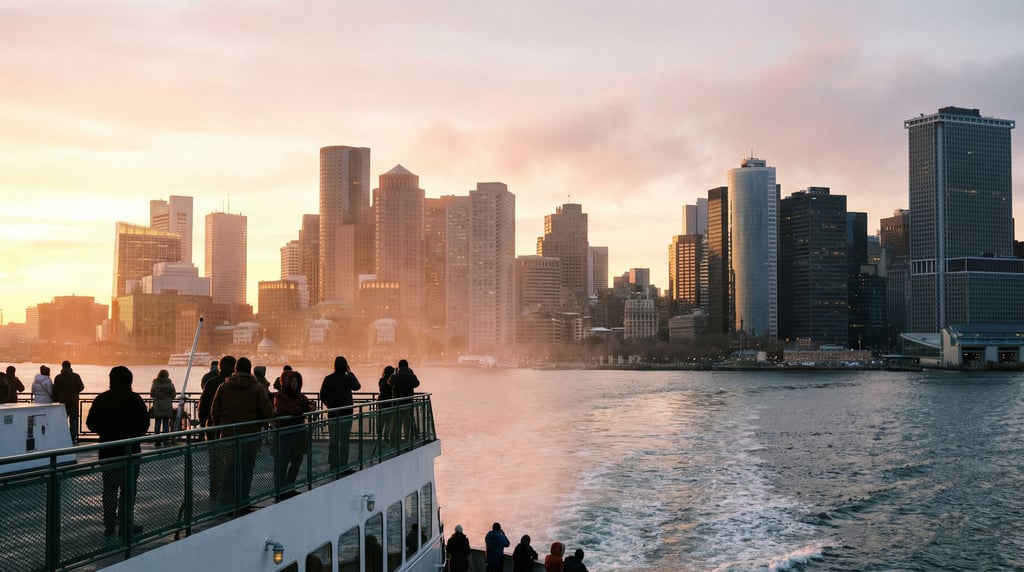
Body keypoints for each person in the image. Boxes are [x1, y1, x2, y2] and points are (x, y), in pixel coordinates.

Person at [85, 366, 149, 537]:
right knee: (128, 491)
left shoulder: (102, 399)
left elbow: (90, 424)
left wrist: (106, 430)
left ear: (111, 380)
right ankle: (125, 524)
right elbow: (144, 426)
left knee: (109, 489)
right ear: (130, 381)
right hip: (130, 452)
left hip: (108, 451)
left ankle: (109, 525)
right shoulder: (135, 400)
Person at [211, 356, 273, 507]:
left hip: (227, 435)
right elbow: (267, 412)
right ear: (249, 369)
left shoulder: (224, 387)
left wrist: (219, 428)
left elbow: (215, 411)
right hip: (249, 437)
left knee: (228, 469)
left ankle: (226, 501)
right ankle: (243, 500)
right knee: (246, 470)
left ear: (235, 369)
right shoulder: (257, 388)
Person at [274, 370, 312, 497]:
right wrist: (299, 410)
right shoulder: (279, 396)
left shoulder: (299, 395)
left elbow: (310, 406)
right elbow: (281, 411)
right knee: (284, 461)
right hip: (286, 433)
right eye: (292, 381)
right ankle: (282, 488)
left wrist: (297, 410)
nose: (295, 384)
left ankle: (289, 486)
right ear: (286, 382)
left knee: (297, 459)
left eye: (296, 381)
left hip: (298, 432)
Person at [319, 356, 361, 472]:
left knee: (333, 441)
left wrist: (329, 405)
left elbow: (322, 395)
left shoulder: (328, 379)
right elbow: (357, 386)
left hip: (333, 414)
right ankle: (343, 466)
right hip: (346, 413)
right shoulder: (348, 378)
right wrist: (350, 372)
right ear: (345, 366)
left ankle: (333, 465)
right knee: (344, 440)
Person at [389, 359, 420, 444]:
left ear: (399, 366)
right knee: (407, 424)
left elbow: (390, 382)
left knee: (397, 424)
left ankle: (396, 442)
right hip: (408, 403)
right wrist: (412, 374)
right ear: (407, 366)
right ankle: (407, 441)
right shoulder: (410, 375)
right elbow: (417, 383)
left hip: (397, 404)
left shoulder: (396, 376)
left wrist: (394, 373)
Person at [53, 361, 85, 442]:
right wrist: (75, 391)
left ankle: (62, 437)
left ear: (62, 367)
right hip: (73, 401)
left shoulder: (58, 377)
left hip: (62, 402)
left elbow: (55, 390)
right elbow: (81, 387)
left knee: (62, 421)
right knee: (73, 420)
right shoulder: (76, 376)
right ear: (70, 367)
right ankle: (72, 438)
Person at [149, 369, 177, 446]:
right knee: (165, 423)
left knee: (157, 423)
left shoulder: (155, 384)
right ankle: (165, 440)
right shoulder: (170, 384)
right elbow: (173, 395)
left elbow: (152, 394)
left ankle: (157, 441)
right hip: (167, 404)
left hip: (158, 405)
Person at [377, 365, 395, 446]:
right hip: (389, 403)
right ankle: (385, 438)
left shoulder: (381, 380)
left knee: (381, 422)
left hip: (381, 402)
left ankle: (379, 439)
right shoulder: (391, 381)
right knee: (388, 422)